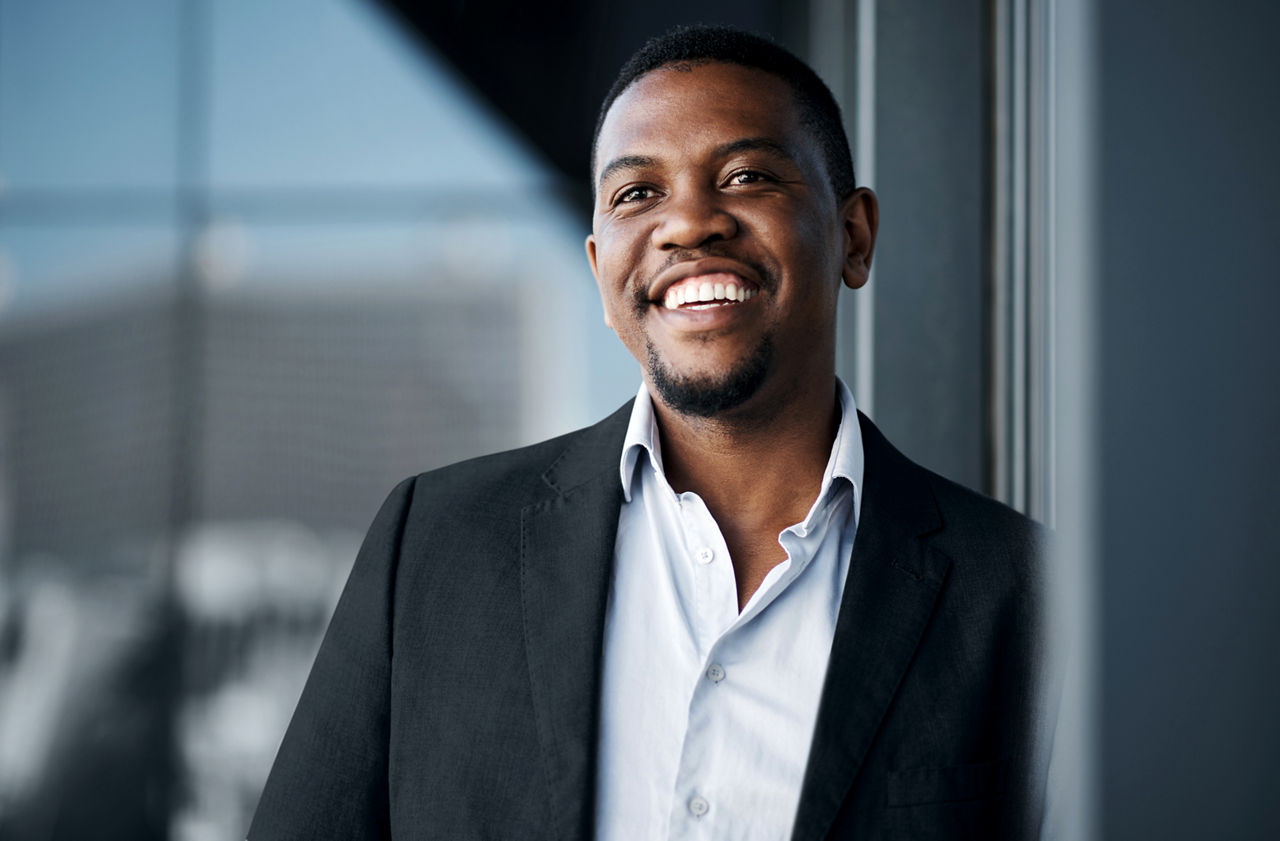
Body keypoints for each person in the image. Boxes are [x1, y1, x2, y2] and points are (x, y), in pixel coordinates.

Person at [249, 24, 1048, 841]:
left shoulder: (1023, 591)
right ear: (600, 268)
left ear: (855, 235)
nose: (690, 223)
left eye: (746, 176)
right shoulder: (434, 546)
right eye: (638, 193)